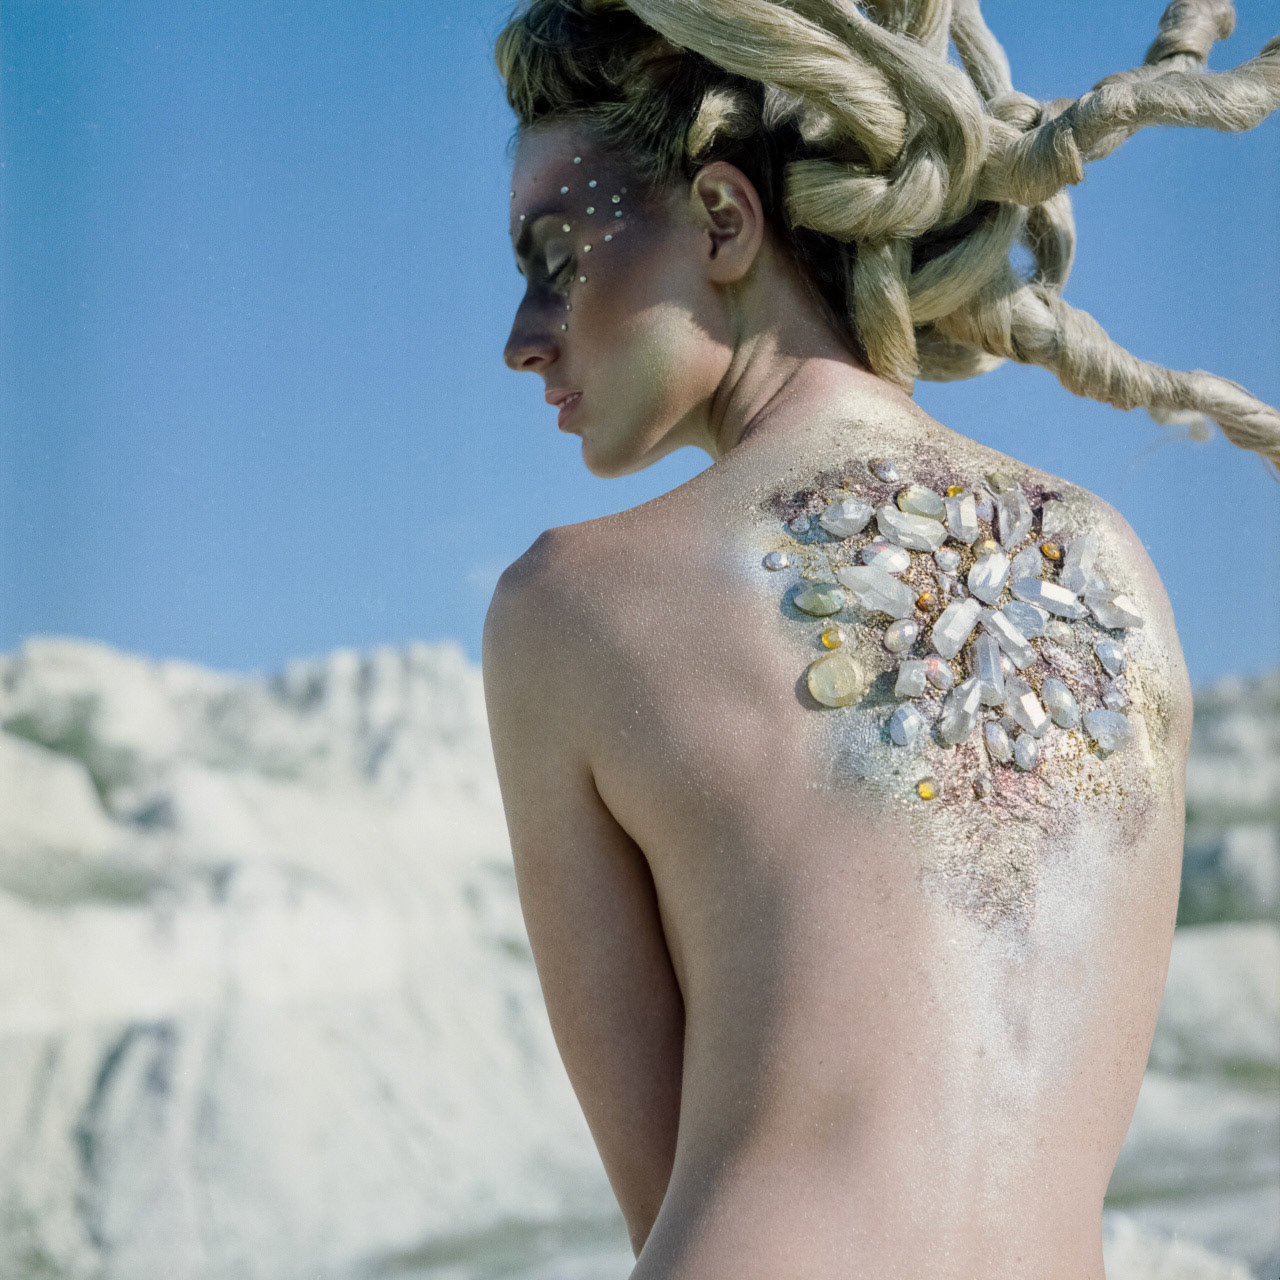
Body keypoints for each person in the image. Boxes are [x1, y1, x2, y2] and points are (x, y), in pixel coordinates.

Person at [481, 1, 1279, 1275]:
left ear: (723, 219)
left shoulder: (566, 607)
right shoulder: (1112, 562)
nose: (521, 339)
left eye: (555, 257)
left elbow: (665, 1193)